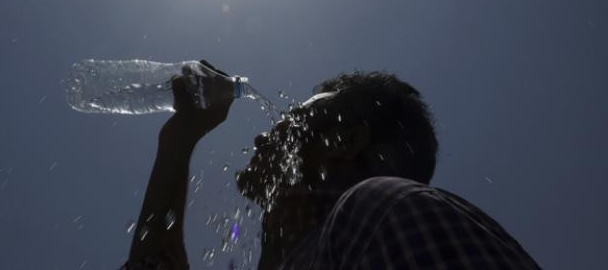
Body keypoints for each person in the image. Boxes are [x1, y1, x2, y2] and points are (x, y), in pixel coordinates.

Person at [122, 62, 540, 269]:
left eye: (293, 121)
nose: (263, 138)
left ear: (346, 141)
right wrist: (179, 139)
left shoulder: (382, 211)